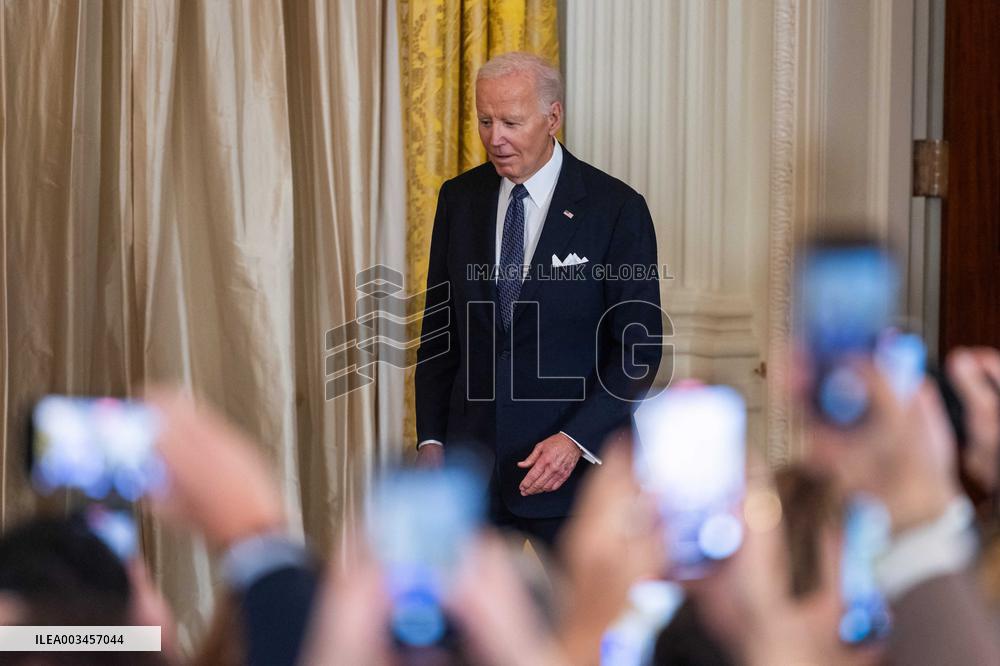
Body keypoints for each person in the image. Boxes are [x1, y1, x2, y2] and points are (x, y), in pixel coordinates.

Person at [414, 51, 663, 548]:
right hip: (473, 477)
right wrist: (432, 439)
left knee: (588, 625)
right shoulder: (458, 199)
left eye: (511, 121)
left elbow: (637, 352)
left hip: (574, 480)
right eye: (485, 121)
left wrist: (575, 440)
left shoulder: (616, 210)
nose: (495, 137)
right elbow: (439, 336)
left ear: (553, 117)